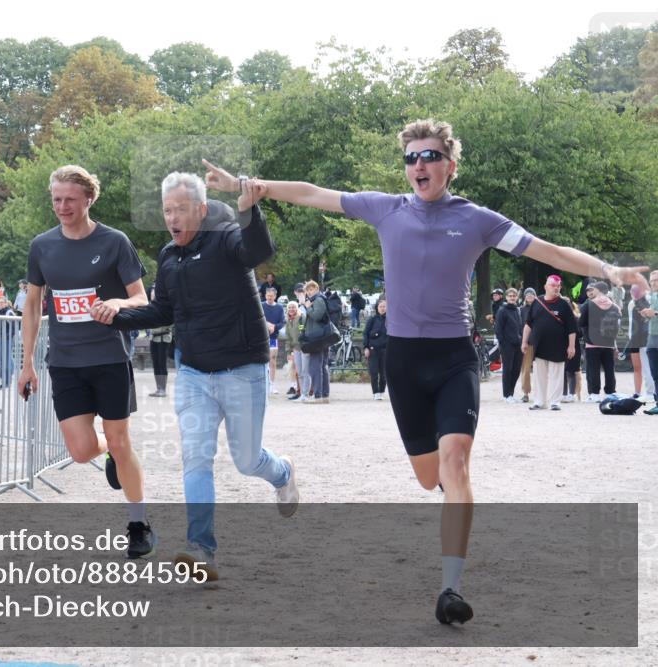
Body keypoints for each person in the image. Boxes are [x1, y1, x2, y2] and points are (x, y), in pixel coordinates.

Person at [203, 118, 650, 624]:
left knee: (456, 464)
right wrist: (250, 187)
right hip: (405, 360)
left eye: (429, 156)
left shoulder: (478, 219)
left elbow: (549, 250)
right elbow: (315, 193)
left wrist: (608, 270)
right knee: (428, 476)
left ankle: (451, 589)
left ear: (449, 166)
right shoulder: (386, 209)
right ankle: (447, 496)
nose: (419, 164)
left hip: (455, 357)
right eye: (411, 158)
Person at [103, 170, 298, 580]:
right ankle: (201, 550)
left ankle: (282, 473)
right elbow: (162, 312)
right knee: (196, 458)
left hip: (242, 368)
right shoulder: (169, 257)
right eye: (167, 210)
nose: (172, 218)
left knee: (247, 461)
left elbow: (257, 251)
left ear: (202, 210)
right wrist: (118, 315)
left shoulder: (227, 238)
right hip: (193, 373)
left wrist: (249, 211)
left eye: (181, 209)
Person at [17, 164, 155, 560]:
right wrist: (26, 363)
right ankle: (113, 452)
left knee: (119, 439)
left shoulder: (115, 242)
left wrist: (117, 302)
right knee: (79, 451)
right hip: (65, 361)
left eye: (70, 200)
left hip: (110, 357)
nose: (62, 206)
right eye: (56, 199)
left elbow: (142, 299)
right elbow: (31, 306)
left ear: (88, 200)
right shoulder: (42, 246)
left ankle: (138, 522)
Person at [522, 276, 577, 411]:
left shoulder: (564, 304)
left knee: (557, 375)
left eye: (558, 286)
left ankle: (555, 402)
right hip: (539, 345)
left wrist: (571, 346)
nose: (556, 288)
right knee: (539, 375)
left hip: (558, 346)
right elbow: (528, 324)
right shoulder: (537, 302)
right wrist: (524, 341)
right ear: (546, 287)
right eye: (553, 285)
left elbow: (571, 328)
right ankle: (539, 402)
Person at [580, 281, 621, 401]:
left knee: (593, 368)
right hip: (608, 343)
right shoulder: (614, 306)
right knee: (609, 369)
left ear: (597, 290)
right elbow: (617, 326)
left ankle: (594, 394)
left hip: (592, 342)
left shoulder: (589, 304)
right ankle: (610, 392)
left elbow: (581, 322)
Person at [301, 280, 331, 403]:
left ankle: (318, 395)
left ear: (317, 289)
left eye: (311, 289)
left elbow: (317, 316)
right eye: (307, 290)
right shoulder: (317, 300)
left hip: (318, 338)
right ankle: (324, 395)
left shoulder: (318, 300)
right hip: (320, 337)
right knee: (321, 366)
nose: (309, 292)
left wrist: (308, 307)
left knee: (315, 367)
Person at [494, 288, 524, 403]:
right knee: (508, 369)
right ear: (506, 297)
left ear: (516, 297)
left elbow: (520, 327)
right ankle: (506, 395)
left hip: (518, 344)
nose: (512, 297)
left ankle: (511, 394)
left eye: (514, 296)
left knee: (516, 369)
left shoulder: (517, 310)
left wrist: (521, 340)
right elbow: (498, 329)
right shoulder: (502, 310)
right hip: (507, 345)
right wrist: (503, 343)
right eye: (510, 296)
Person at [145, 285, 173, 398]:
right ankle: (158, 388)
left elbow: (170, 321)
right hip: (154, 337)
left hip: (164, 337)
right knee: (156, 363)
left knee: (162, 363)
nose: (152, 294)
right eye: (151, 292)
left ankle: (163, 389)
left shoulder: (165, 306)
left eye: (154, 292)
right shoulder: (150, 306)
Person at [626, 284, 650, 397]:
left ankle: (651, 392)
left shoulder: (650, 300)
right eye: (632, 291)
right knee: (637, 367)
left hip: (647, 338)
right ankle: (637, 392)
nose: (634, 293)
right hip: (634, 339)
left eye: (637, 291)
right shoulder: (631, 303)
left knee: (648, 367)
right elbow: (631, 322)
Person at [363, 298, 389, 400]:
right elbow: (365, 333)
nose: (382, 309)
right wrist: (366, 347)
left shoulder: (390, 320)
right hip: (373, 349)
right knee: (374, 372)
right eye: (380, 306)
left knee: (383, 374)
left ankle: (381, 391)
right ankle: (375, 392)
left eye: (384, 307)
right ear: (377, 307)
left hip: (385, 350)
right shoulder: (372, 319)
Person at [262, 287, 285, 395]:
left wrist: (274, 327)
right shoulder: (261, 306)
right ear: (265, 295)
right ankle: (264, 384)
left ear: (275, 296)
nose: (269, 298)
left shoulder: (279, 308)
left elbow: (282, 323)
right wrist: (267, 325)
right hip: (262, 338)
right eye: (268, 296)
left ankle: (272, 384)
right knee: (263, 360)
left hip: (273, 337)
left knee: (272, 360)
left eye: (271, 296)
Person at [282, 300, 307, 400]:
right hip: (295, 349)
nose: (291, 309)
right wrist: (288, 351)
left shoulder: (301, 318)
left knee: (306, 371)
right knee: (299, 372)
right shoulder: (288, 321)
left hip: (304, 348)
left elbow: (305, 331)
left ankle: (307, 392)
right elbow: (288, 337)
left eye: (293, 307)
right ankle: (300, 392)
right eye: (289, 307)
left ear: (297, 308)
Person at [560, 297, 583, 403]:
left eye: (567, 303)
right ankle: (564, 394)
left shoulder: (576, 317)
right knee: (563, 372)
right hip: (560, 346)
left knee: (571, 371)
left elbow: (580, 333)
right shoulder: (557, 318)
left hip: (574, 347)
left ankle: (572, 394)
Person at [518, 287, 537, 402]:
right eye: (527, 294)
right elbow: (519, 326)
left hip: (539, 342)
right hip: (527, 343)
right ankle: (525, 393)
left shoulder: (540, 308)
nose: (529, 296)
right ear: (525, 297)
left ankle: (541, 392)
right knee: (525, 369)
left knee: (541, 369)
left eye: (532, 294)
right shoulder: (521, 310)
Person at [643, 271, 658, 415]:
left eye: (656, 280)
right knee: (655, 373)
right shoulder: (652, 297)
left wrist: (655, 313)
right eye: (652, 280)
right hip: (652, 338)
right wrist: (646, 315)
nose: (654, 283)